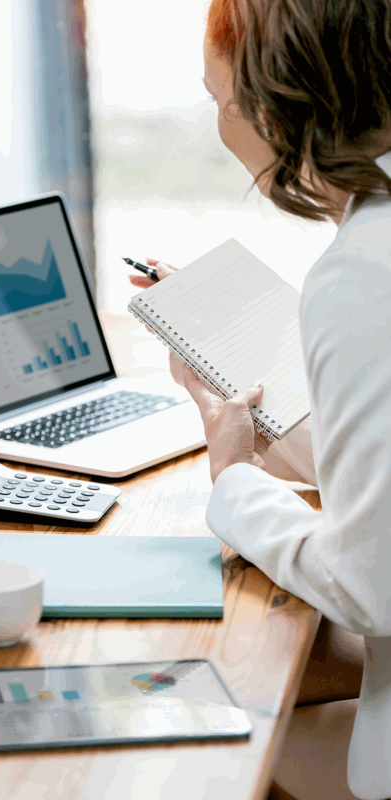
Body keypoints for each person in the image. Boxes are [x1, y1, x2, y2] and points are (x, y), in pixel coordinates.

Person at [129, 2, 391, 799]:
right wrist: (256, 402)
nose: (218, 131)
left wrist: (233, 475)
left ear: (278, 107)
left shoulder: (359, 275)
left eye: (216, 103)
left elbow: (368, 585)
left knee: (201, 738)